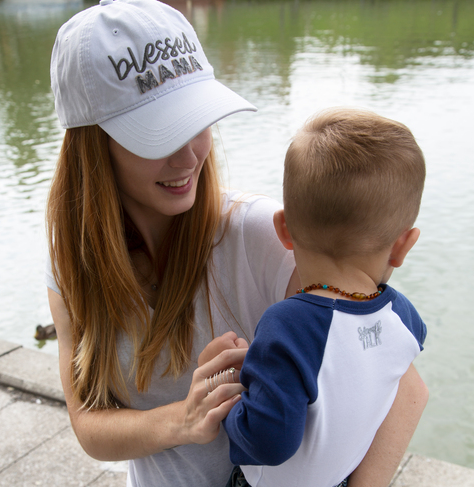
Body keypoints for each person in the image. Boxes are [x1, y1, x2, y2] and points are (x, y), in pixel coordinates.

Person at [45, 0, 428, 485]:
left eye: (197, 121)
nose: (189, 156)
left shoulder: (263, 235)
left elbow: (404, 387)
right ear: (93, 146)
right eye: (159, 134)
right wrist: (183, 420)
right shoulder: (69, 262)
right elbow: (89, 426)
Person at [215, 108, 428, 487]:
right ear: (404, 246)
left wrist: (228, 398)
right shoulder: (405, 319)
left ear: (283, 229)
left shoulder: (288, 325)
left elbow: (269, 442)